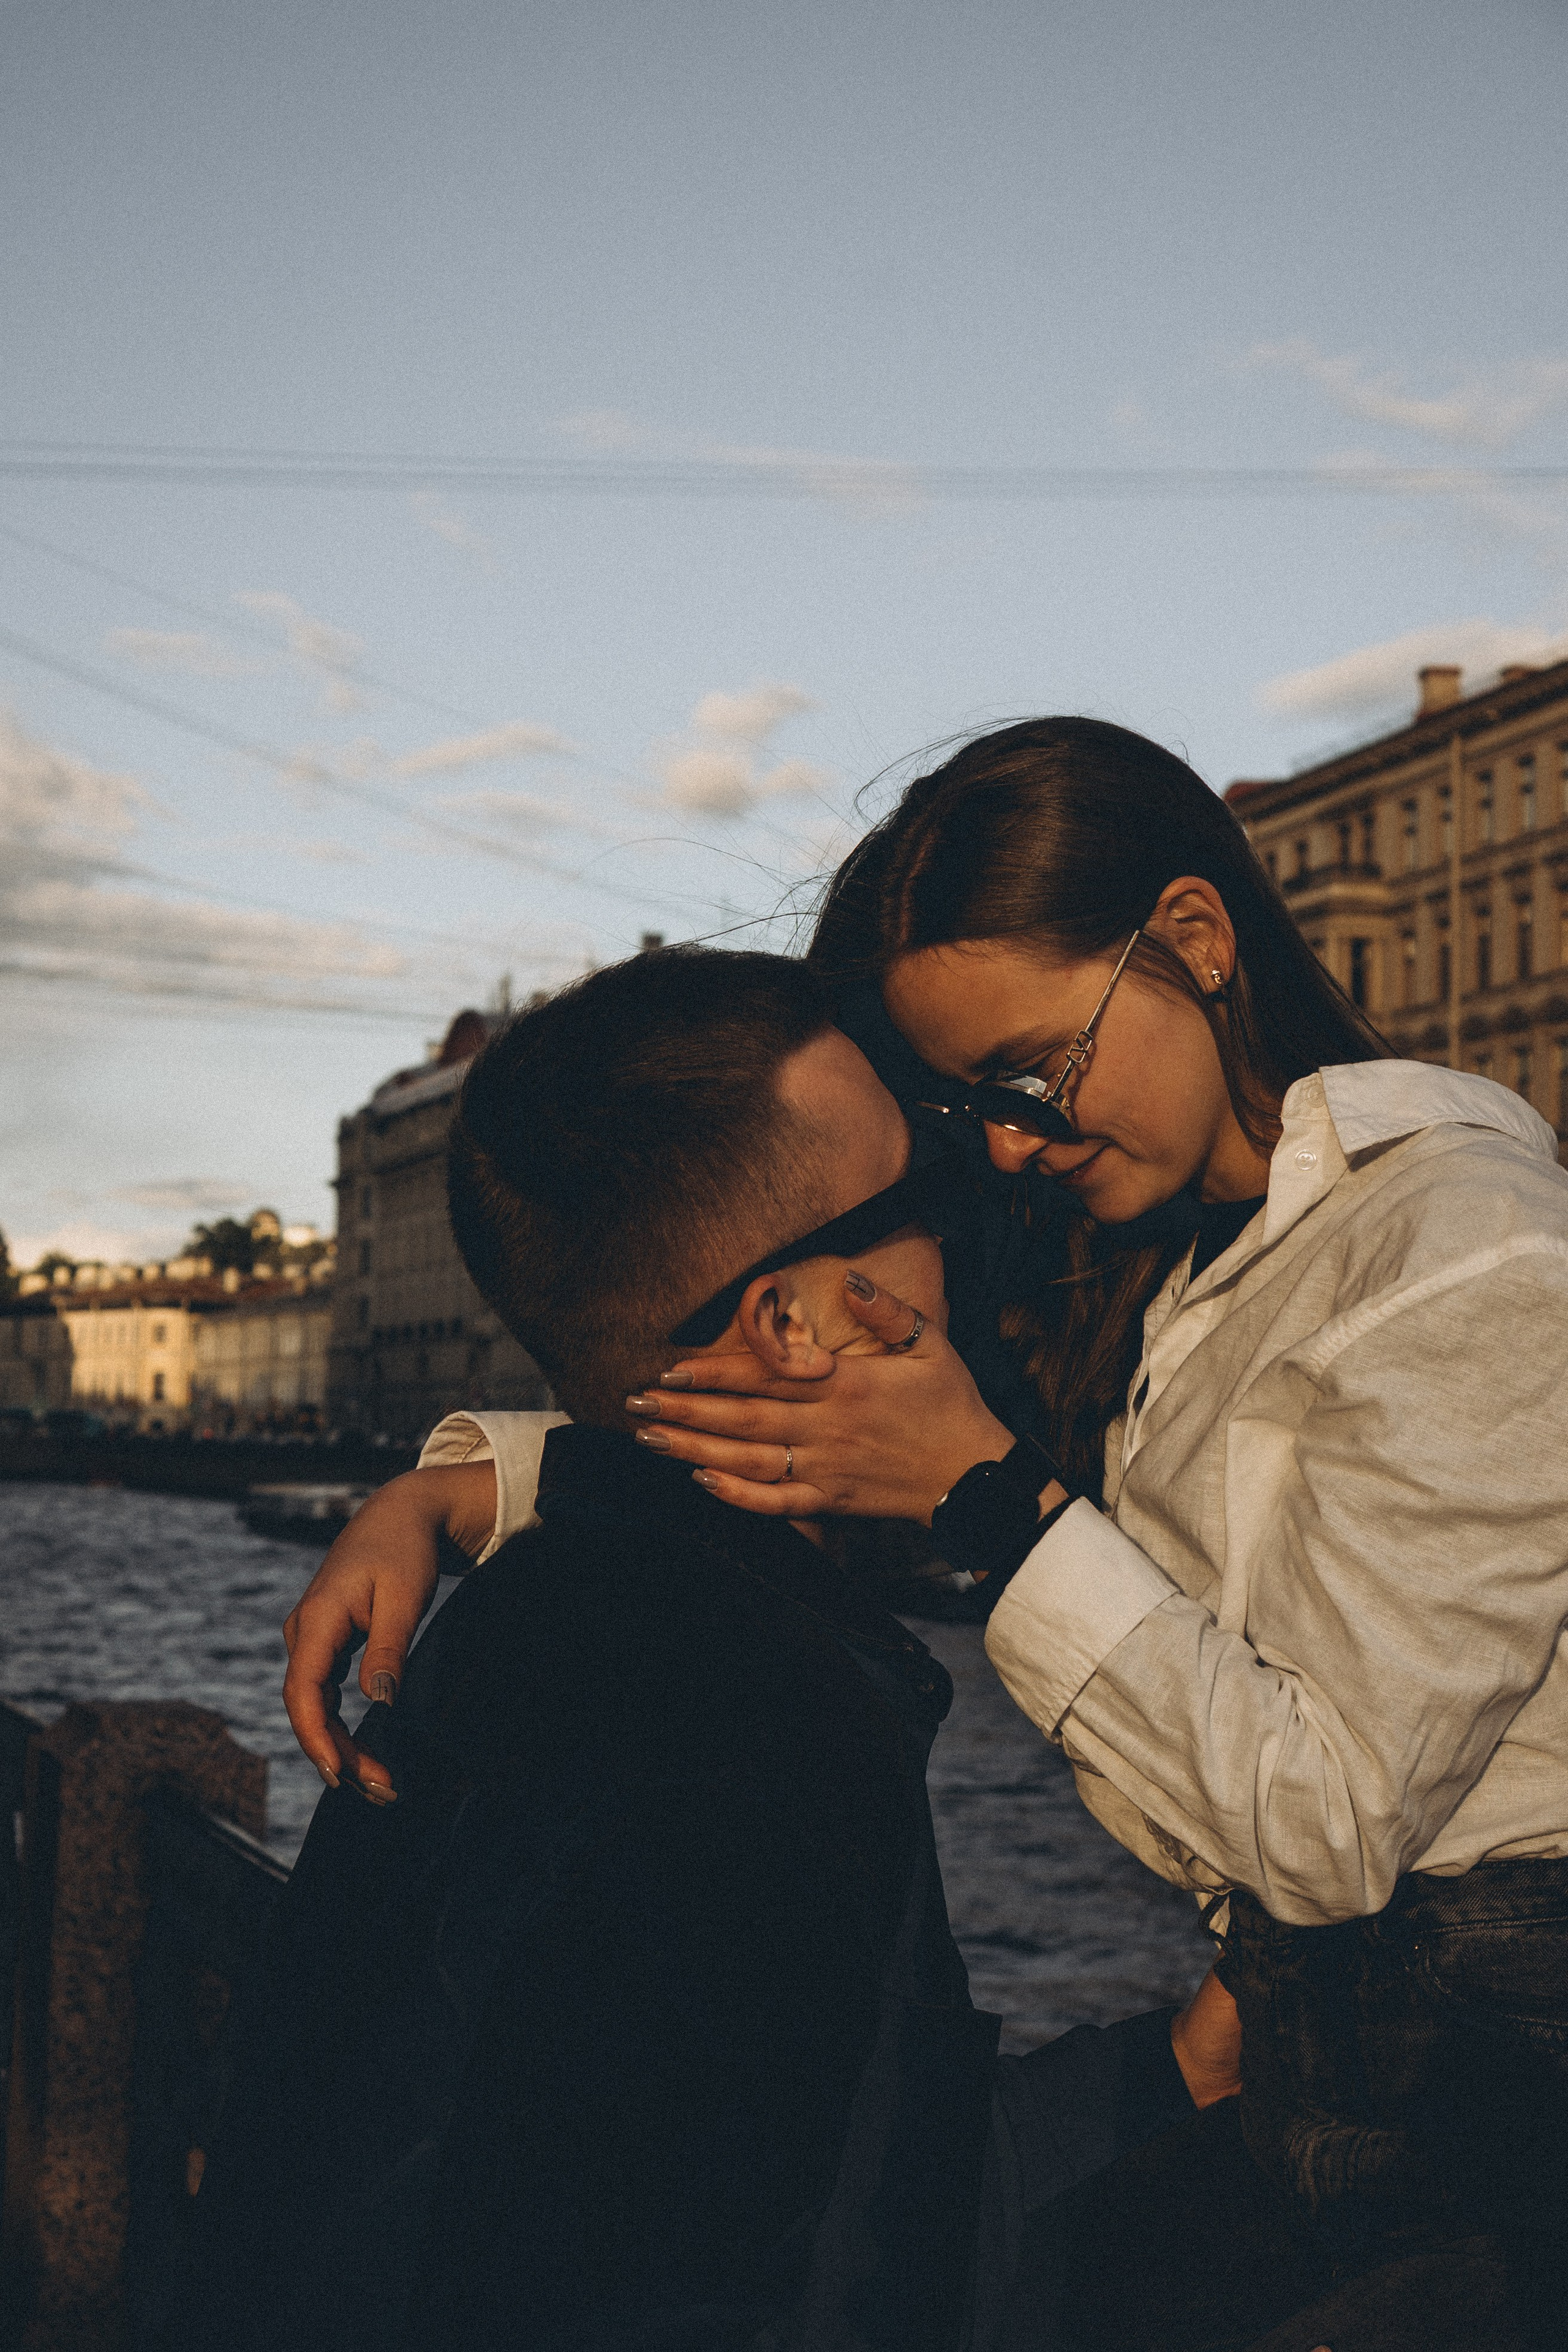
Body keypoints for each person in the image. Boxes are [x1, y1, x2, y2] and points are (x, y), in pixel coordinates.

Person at [284, 718, 1567, 2348]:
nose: (1014, 1142)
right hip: (1323, 2082)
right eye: (969, 1110)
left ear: (1194, 938)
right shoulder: (1149, 1246)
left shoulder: (1465, 1250)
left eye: (1033, 1071)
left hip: (1502, 2124)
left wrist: (992, 1494)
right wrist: (466, 1485)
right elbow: (817, 1390)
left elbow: (1322, 1829)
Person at [178, 945, 1037, 2352]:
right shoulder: (747, 1720)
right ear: (793, 1320)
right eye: (921, 1196)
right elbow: (774, 2279)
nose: (975, 1214)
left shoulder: (554, 1620)